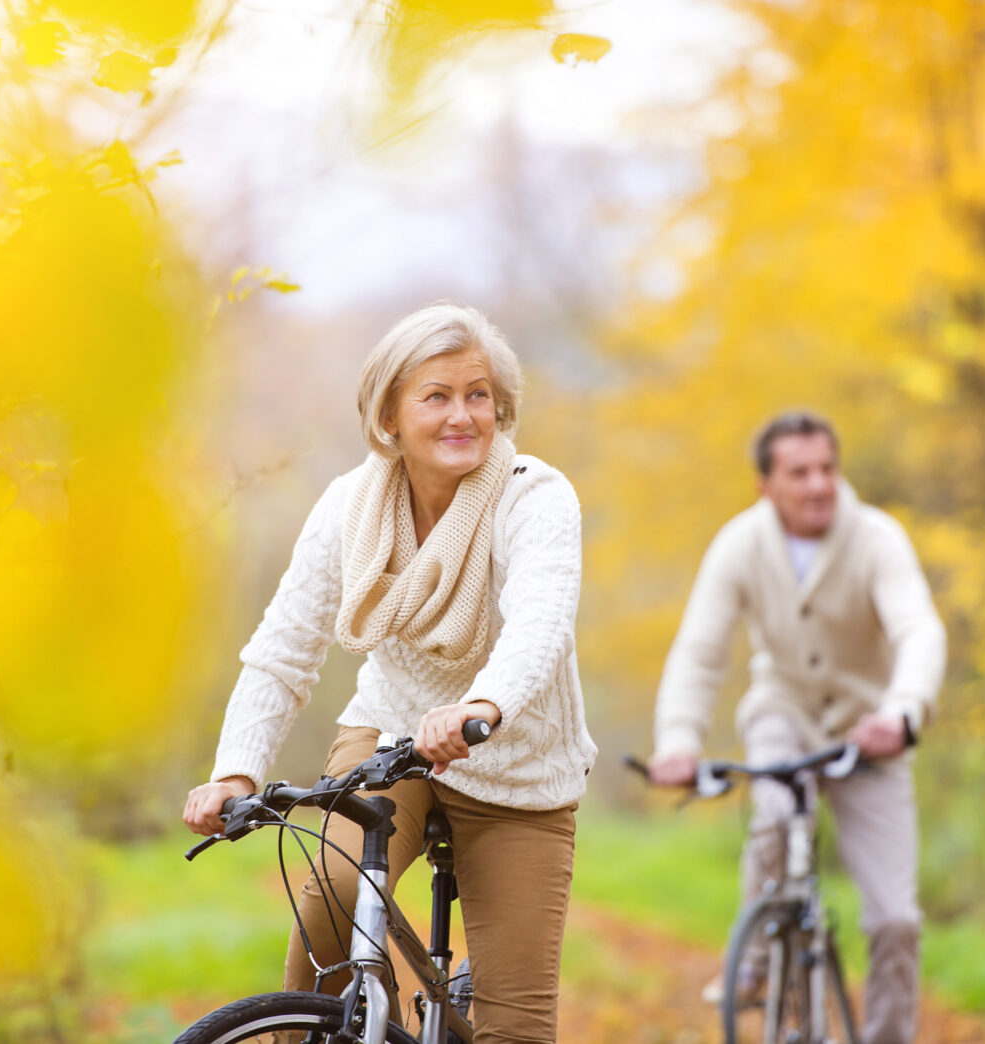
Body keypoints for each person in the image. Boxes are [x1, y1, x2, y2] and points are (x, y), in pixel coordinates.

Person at [183, 302, 597, 1044]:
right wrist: (236, 774)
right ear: (390, 418)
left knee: (518, 1027)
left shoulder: (535, 495)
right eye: (436, 397)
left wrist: (483, 704)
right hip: (390, 736)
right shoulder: (351, 506)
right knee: (333, 902)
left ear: (501, 407)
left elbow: (540, 622)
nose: (462, 415)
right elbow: (282, 650)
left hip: (519, 764)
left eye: (477, 395)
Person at [647, 410, 945, 1044]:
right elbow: (701, 652)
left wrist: (902, 712)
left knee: (895, 919)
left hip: (870, 735)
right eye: (799, 472)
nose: (817, 485)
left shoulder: (876, 538)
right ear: (765, 485)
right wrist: (678, 742)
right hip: (782, 720)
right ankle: (754, 965)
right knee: (775, 818)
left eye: (827, 469)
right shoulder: (739, 544)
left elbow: (918, 630)